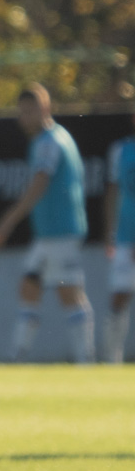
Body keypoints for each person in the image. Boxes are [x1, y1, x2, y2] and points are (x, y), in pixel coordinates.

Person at [0, 83, 93, 364]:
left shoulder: (50, 143)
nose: (24, 117)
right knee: (29, 286)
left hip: (61, 231)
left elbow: (39, 184)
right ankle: (17, 355)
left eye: (30, 111)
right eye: (21, 112)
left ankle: (86, 362)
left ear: (45, 109)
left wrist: (7, 222)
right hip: (51, 233)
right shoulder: (55, 138)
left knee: (69, 293)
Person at [103, 107, 135, 365]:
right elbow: (113, 193)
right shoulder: (120, 150)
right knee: (120, 296)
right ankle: (112, 362)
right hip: (125, 237)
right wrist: (110, 234)